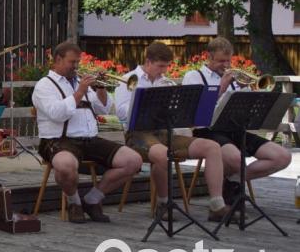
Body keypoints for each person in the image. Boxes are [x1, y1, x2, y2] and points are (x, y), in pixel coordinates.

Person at [115, 42, 231, 221]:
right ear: (148, 61)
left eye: (166, 66)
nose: (164, 71)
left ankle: (217, 205)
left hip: (164, 133)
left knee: (212, 147)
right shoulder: (129, 79)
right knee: (162, 154)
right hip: (137, 134)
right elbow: (121, 113)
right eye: (161, 66)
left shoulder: (164, 82)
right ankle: (164, 203)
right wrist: (148, 104)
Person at [32, 42, 141, 223]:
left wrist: (100, 88)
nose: (76, 67)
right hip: (59, 140)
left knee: (133, 160)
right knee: (65, 165)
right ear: (58, 60)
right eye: (72, 62)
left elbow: (103, 109)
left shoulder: (79, 82)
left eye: (77, 62)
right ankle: (74, 202)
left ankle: (92, 199)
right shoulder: (44, 85)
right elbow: (57, 114)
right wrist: (80, 91)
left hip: (89, 139)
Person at [182, 37, 291, 205]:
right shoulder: (194, 76)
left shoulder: (234, 79)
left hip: (234, 129)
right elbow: (195, 111)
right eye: (220, 61)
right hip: (206, 131)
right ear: (209, 57)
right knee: (236, 159)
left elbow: (248, 108)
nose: (226, 65)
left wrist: (249, 93)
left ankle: (233, 180)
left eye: (228, 60)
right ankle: (229, 192)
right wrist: (222, 87)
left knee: (282, 157)